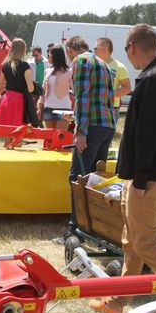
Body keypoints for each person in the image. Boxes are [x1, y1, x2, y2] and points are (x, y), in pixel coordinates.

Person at [89, 24, 156, 313]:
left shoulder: (155, 81)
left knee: (144, 242)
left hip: (148, 177)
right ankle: (117, 302)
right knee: (132, 242)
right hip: (146, 175)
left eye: (127, 49)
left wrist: (140, 178)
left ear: (133, 47)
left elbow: (148, 135)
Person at [63, 35, 114, 235]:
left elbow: (82, 96)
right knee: (95, 178)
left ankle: (75, 229)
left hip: (91, 126)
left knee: (78, 177)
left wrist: (80, 130)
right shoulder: (104, 63)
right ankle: (95, 227)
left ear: (70, 50)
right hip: (106, 125)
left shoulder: (81, 61)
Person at [0, 38, 35, 127]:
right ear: (23, 50)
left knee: (7, 133)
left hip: (6, 99)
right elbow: (31, 89)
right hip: (19, 101)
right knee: (17, 133)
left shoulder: (5, 65)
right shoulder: (25, 66)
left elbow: (0, 87)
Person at [94, 37, 131, 126]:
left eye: (95, 48)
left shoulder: (119, 67)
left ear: (104, 49)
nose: (93, 50)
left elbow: (127, 88)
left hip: (111, 108)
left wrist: (108, 94)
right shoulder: (92, 64)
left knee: (107, 137)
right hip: (94, 106)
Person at [37, 45, 72, 129]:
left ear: (55, 56)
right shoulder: (47, 71)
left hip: (65, 108)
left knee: (61, 137)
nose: (47, 57)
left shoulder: (69, 72)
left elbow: (75, 89)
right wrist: (39, 108)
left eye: (49, 55)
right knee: (49, 138)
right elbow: (43, 91)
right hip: (48, 107)